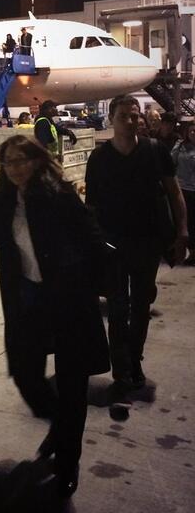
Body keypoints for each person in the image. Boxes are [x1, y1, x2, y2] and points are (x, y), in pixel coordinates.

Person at [0, 135, 109, 498]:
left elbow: (90, 235)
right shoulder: (3, 201)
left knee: (73, 383)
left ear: (36, 160)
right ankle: (61, 426)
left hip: (69, 299)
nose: (14, 168)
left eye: (20, 160)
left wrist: (97, 282)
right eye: (8, 162)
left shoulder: (58, 195)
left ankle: (67, 462)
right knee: (26, 373)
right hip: (28, 297)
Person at [85, 95, 187, 408]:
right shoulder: (99, 159)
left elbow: (174, 194)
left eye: (134, 116)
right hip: (113, 247)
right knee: (117, 310)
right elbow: (91, 206)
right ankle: (122, 370)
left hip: (147, 245)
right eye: (123, 117)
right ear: (111, 120)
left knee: (141, 307)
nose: (130, 121)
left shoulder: (156, 152)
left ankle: (134, 360)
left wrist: (182, 233)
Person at [171, 121, 195, 265]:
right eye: (191, 131)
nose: (193, 133)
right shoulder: (180, 146)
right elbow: (171, 162)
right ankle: (192, 252)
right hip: (184, 189)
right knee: (188, 221)